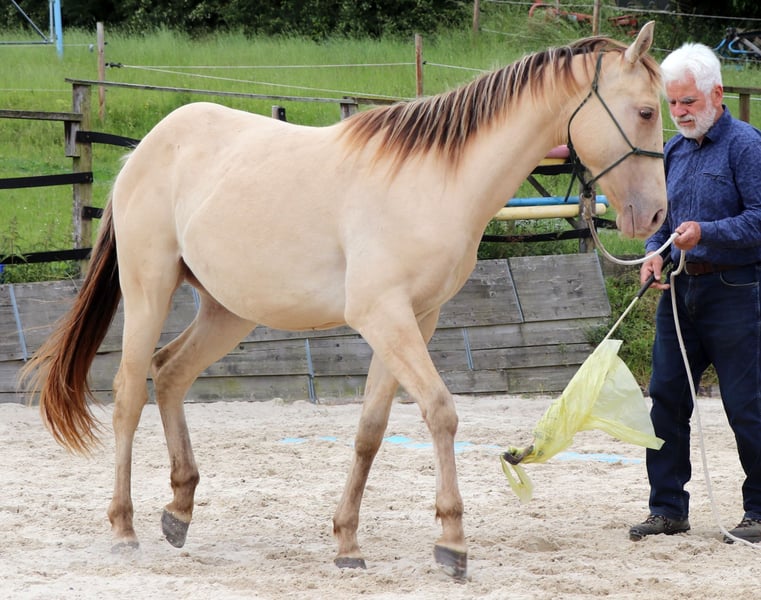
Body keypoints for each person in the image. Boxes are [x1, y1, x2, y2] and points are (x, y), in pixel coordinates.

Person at [629, 42, 761, 543]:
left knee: (747, 405)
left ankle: (759, 511)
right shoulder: (672, 151)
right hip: (680, 292)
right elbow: (662, 224)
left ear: (717, 94)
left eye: (688, 101)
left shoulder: (747, 145)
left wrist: (707, 232)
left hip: (737, 291)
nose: (680, 112)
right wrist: (653, 252)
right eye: (673, 103)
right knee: (664, 400)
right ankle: (667, 509)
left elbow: (759, 219)